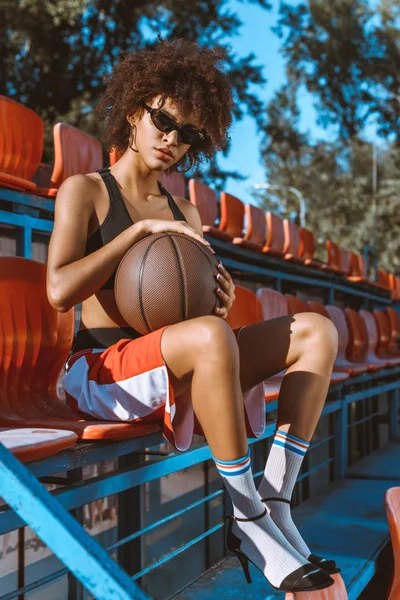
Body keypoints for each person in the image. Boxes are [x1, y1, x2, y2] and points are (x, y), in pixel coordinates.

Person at [46, 37, 339, 593]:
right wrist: (137, 232)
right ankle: (247, 516)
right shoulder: (85, 192)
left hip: (171, 360)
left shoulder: (186, 211)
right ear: (133, 112)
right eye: (162, 120)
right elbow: (59, 290)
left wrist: (217, 302)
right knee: (208, 337)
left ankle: (274, 505)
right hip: (101, 371)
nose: (170, 139)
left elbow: (191, 315)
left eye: (188, 135)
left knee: (317, 333)